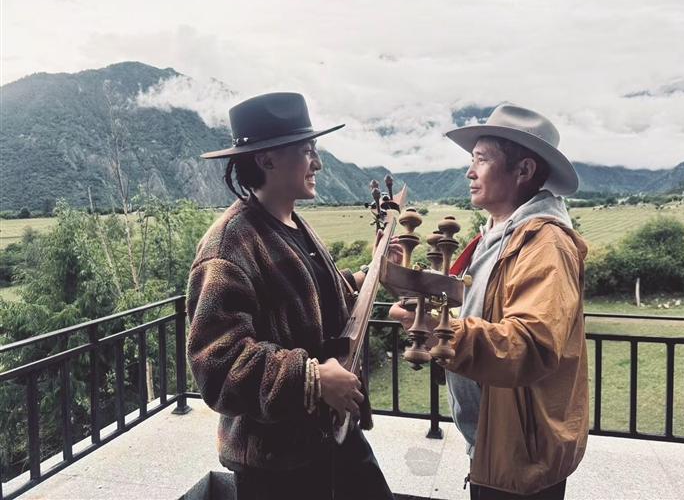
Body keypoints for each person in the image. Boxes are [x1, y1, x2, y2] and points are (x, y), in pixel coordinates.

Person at [186, 92, 393, 500]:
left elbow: (313, 299)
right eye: (307, 151)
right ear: (267, 160)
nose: (317, 163)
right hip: (276, 464)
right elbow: (218, 366)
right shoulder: (228, 247)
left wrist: (367, 275)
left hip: (332, 436)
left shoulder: (293, 224)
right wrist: (312, 378)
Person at [390, 103, 589, 500]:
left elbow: (529, 345)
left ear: (524, 170)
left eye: (481, 159)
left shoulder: (545, 244)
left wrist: (441, 332)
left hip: (520, 450)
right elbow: (474, 311)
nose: (470, 172)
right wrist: (404, 285)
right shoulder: (496, 236)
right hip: (494, 439)